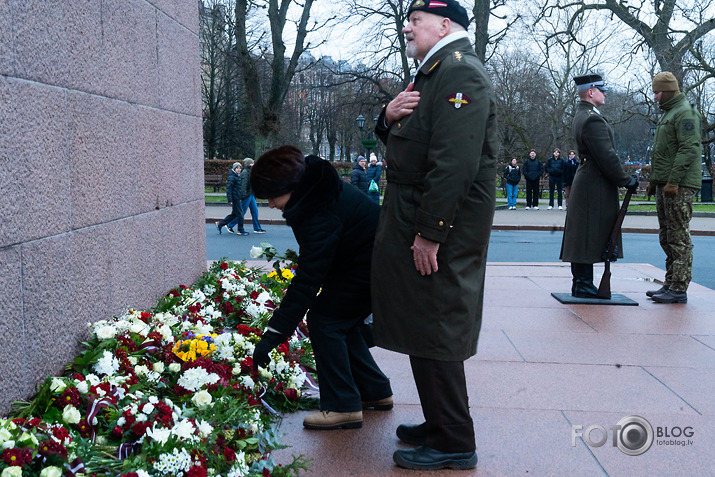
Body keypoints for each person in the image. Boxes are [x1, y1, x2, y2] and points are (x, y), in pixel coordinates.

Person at [371, 0, 497, 470]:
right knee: (425, 321)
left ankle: (454, 441)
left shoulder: (458, 73)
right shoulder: (433, 72)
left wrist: (430, 233)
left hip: (440, 224)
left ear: (445, 24)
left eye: (415, 21)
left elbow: (454, 164)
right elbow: (414, 142)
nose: (407, 27)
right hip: (416, 214)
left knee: (439, 322)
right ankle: (439, 420)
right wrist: (385, 117)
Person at [250, 146, 393, 431]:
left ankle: (342, 406)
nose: (270, 204)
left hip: (374, 266)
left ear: (290, 187)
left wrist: (272, 336)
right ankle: (375, 390)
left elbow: (308, 280)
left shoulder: (316, 212)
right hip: (372, 260)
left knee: (325, 320)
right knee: (341, 320)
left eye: (271, 196)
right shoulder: (314, 191)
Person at [560, 74, 638, 298]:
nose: (605, 94)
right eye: (601, 90)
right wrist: (626, 180)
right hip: (594, 183)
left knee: (585, 232)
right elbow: (607, 157)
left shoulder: (585, 114)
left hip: (590, 181)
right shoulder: (592, 119)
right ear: (591, 92)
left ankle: (581, 282)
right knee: (588, 232)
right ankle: (583, 283)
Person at [645, 72, 702, 303]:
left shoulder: (686, 113)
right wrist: (654, 181)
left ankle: (679, 288)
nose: (655, 97)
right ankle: (669, 282)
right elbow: (663, 153)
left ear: (667, 91)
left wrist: (673, 181)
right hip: (665, 183)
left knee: (678, 236)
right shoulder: (668, 113)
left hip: (679, 185)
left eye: (657, 92)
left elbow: (689, 148)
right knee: (666, 235)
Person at [229, 158, 266, 233]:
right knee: (242, 212)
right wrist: (243, 195)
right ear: (248, 164)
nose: (254, 164)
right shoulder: (245, 173)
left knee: (255, 211)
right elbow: (243, 185)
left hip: (251, 194)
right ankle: (230, 225)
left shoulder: (251, 172)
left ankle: (257, 228)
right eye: (252, 163)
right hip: (246, 195)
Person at [215, 162, 249, 236]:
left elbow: (238, 188)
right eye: (237, 168)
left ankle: (220, 224)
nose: (239, 169)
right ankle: (240, 230)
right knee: (240, 214)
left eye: (240, 168)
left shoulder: (237, 176)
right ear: (234, 169)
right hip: (234, 198)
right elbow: (229, 189)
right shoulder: (232, 177)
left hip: (237, 197)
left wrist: (242, 196)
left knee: (234, 214)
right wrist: (230, 200)